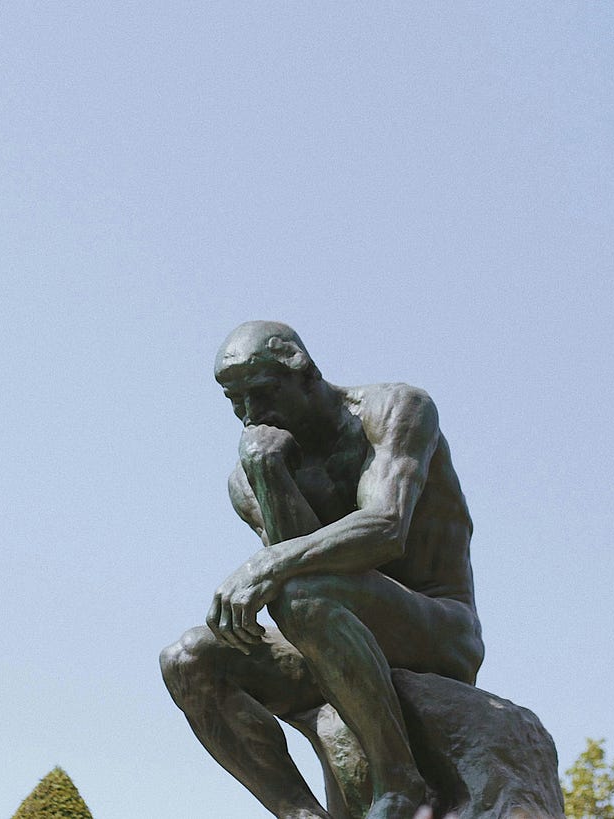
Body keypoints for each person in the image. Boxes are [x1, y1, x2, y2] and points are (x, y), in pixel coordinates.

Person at [160, 321, 484, 819]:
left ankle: (399, 782)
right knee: (189, 659)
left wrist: (265, 564)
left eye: (263, 394)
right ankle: (300, 814)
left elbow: (385, 527)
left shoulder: (394, 410)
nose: (251, 415)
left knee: (301, 593)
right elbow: (295, 572)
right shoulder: (250, 476)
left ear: (305, 372)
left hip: (435, 629)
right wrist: (269, 474)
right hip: (329, 638)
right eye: (236, 402)